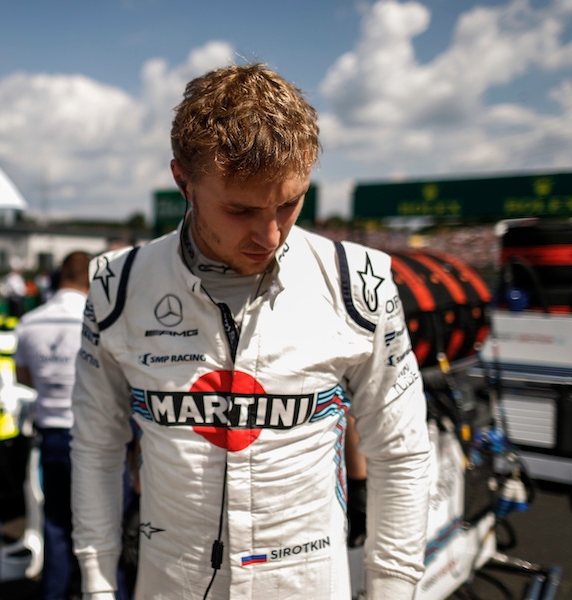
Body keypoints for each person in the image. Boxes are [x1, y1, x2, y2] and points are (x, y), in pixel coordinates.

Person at [70, 63, 432, 600]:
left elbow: (400, 454)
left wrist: (393, 591)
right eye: (240, 209)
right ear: (183, 182)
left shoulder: (361, 281)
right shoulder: (115, 285)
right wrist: (98, 585)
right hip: (171, 585)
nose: (270, 234)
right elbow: (96, 445)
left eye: (289, 203)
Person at [13, 251, 91, 599]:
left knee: (56, 521)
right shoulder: (98, 320)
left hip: (52, 433)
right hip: (93, 436)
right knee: (102, 527)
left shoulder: (30, 322)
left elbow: (24, 377)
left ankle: (55, 591)